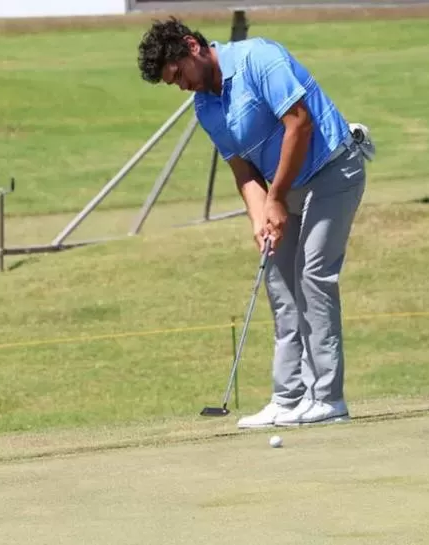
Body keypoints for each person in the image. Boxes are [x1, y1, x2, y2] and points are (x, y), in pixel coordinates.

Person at [137, 17, 373, 429]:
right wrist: (261, 217)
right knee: (280, 283)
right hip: (288, 189)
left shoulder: (258, 58)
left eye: (178, 75)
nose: (180, 85)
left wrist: (277, 198)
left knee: (313, 274)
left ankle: (328, 398)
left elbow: (299, 124)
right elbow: (244, 172)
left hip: (334, 169)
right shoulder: (205, 108)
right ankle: (287, 398)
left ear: (191, 46)